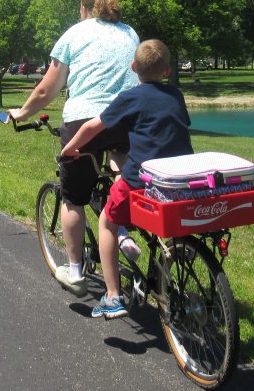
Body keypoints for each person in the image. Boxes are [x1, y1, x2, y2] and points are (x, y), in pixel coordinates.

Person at [7, 0, 139, 296]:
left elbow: (45, 90)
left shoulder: (74, 33)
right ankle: (121, 231)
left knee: (75, 197)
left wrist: (21, 113)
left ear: (84, 9)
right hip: (127, 117)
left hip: (85, 120)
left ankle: (76, 270)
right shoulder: (129, 32)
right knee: (123, 173)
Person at [61, 39, 193, 318]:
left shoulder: (131, 97)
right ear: (167, 71)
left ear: (133, 67)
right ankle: (177, 254)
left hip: (142, 181)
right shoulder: (176, 95)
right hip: (178, 178)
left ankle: (112, 296)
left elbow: (93, 125)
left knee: (107, 221)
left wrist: (71, 147)